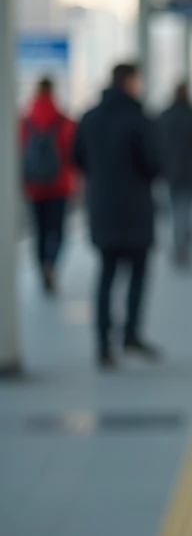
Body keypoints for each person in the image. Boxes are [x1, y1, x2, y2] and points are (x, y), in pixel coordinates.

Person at [73, 63, 163, 369]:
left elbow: (77, 158)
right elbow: (154, 163)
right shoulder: (139, 119)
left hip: (101, 207)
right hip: (136, 208)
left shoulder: (89, 118)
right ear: (129, 82)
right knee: (138, 274)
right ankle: (131, 334)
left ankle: (102, 345)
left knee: (106, 275)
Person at [18, 77, 77, 294]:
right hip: (59, 186)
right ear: (53, 92)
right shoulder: (63, 120)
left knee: (40, 232)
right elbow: (73, 153)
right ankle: (51, 264)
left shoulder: (25, 121)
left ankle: (41, 269)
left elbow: (19, 154)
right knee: (58, 231)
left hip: (34, 187)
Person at [157, 81, 192, 268]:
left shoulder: (164, 116)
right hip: (191, 169)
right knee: (188, 209)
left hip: (169, 171)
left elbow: (154, 142)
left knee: (174, 209)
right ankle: (185, 244)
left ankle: (179, 243)